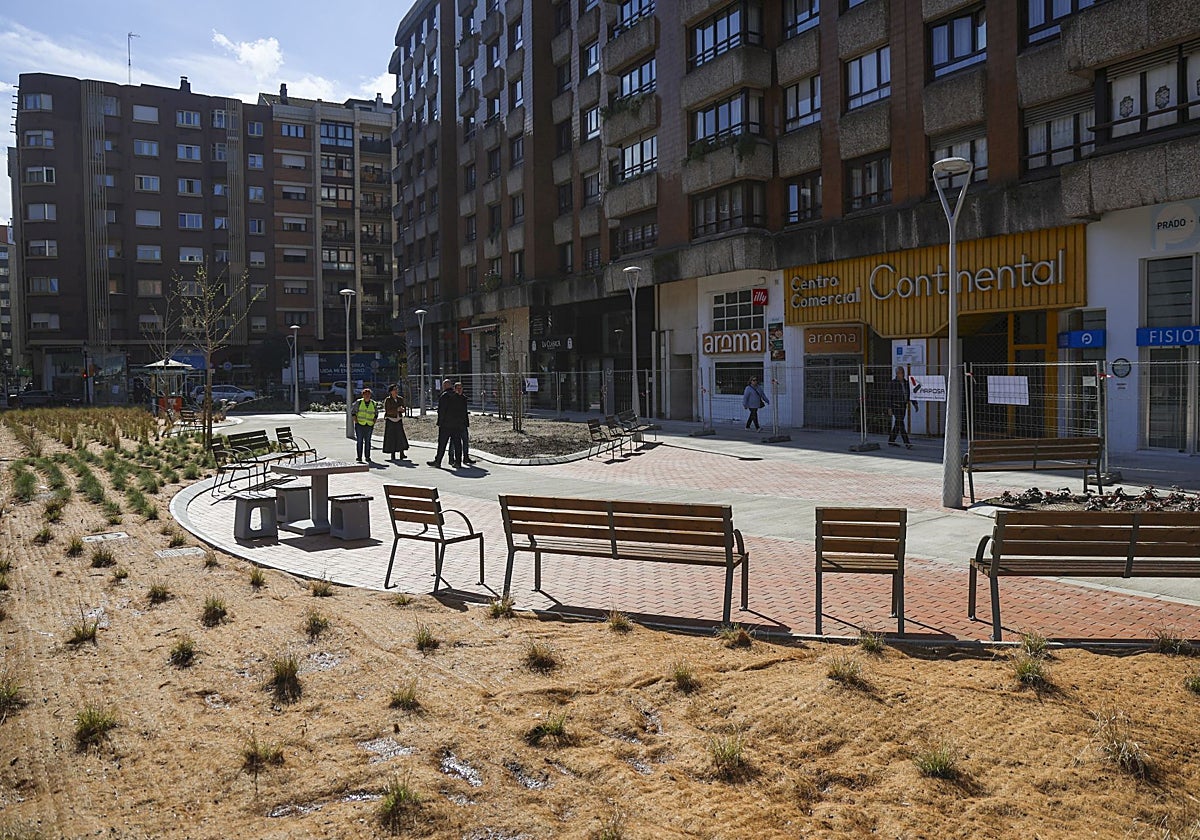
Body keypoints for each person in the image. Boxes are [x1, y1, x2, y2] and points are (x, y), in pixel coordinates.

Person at [427, 379, 466, 468]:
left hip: (446, 425)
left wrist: (440, 423)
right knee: (457, 443)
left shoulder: (444, 396)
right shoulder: (457, 395)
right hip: (457, 424)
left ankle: (438, 461)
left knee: (442, 444)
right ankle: (458, 462)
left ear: (444, 386)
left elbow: (442, 411)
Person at [887, 366, 917, 449]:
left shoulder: (906, 383)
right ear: (897, 374)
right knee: (901, 424)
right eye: (900, 373)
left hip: (903, 406)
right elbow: (889, 396)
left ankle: (891, 440)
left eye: (903, 373)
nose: (902, 375)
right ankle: (907, 442)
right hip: (895, 405)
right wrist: (889, 407)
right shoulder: (892, 383)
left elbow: (910, 394)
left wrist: (915, 403)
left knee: (898, 424)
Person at [381, 384, 409, 462]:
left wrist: (402, 409)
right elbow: (388, 410)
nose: (396, 391)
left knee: (400, 436)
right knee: (391, 437)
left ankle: (401, 453)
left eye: (396, 389)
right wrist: (397, 409)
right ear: (391, 392)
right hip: (390, 420)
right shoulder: (388, 400)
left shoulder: (400, 399)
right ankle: (392, 454)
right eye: (394, 390)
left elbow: (404, 408)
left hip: (398, 419)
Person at [351, 387, 378, 463]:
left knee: (368, 441)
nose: (367, 396)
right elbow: (353, 412)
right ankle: (359, 457)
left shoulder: (373, 403)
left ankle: (367, 457)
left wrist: (374, 421)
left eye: (368, 394)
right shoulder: (359, 402)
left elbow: (376, 413)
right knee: (359, 441)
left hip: (369, 425)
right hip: (360, 424)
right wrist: (356, 421)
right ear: (363, 395)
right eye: (365, 394)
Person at [452, 381, 476, 466]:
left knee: (465, 441)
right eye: (458, 388)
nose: (459, 390)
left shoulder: (464, 398)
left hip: (463, 424)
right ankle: (454, 459)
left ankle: (466, 457)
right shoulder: (452, 398)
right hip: (455, 424)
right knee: (455, 443)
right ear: (454, 389)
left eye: (461, 388)